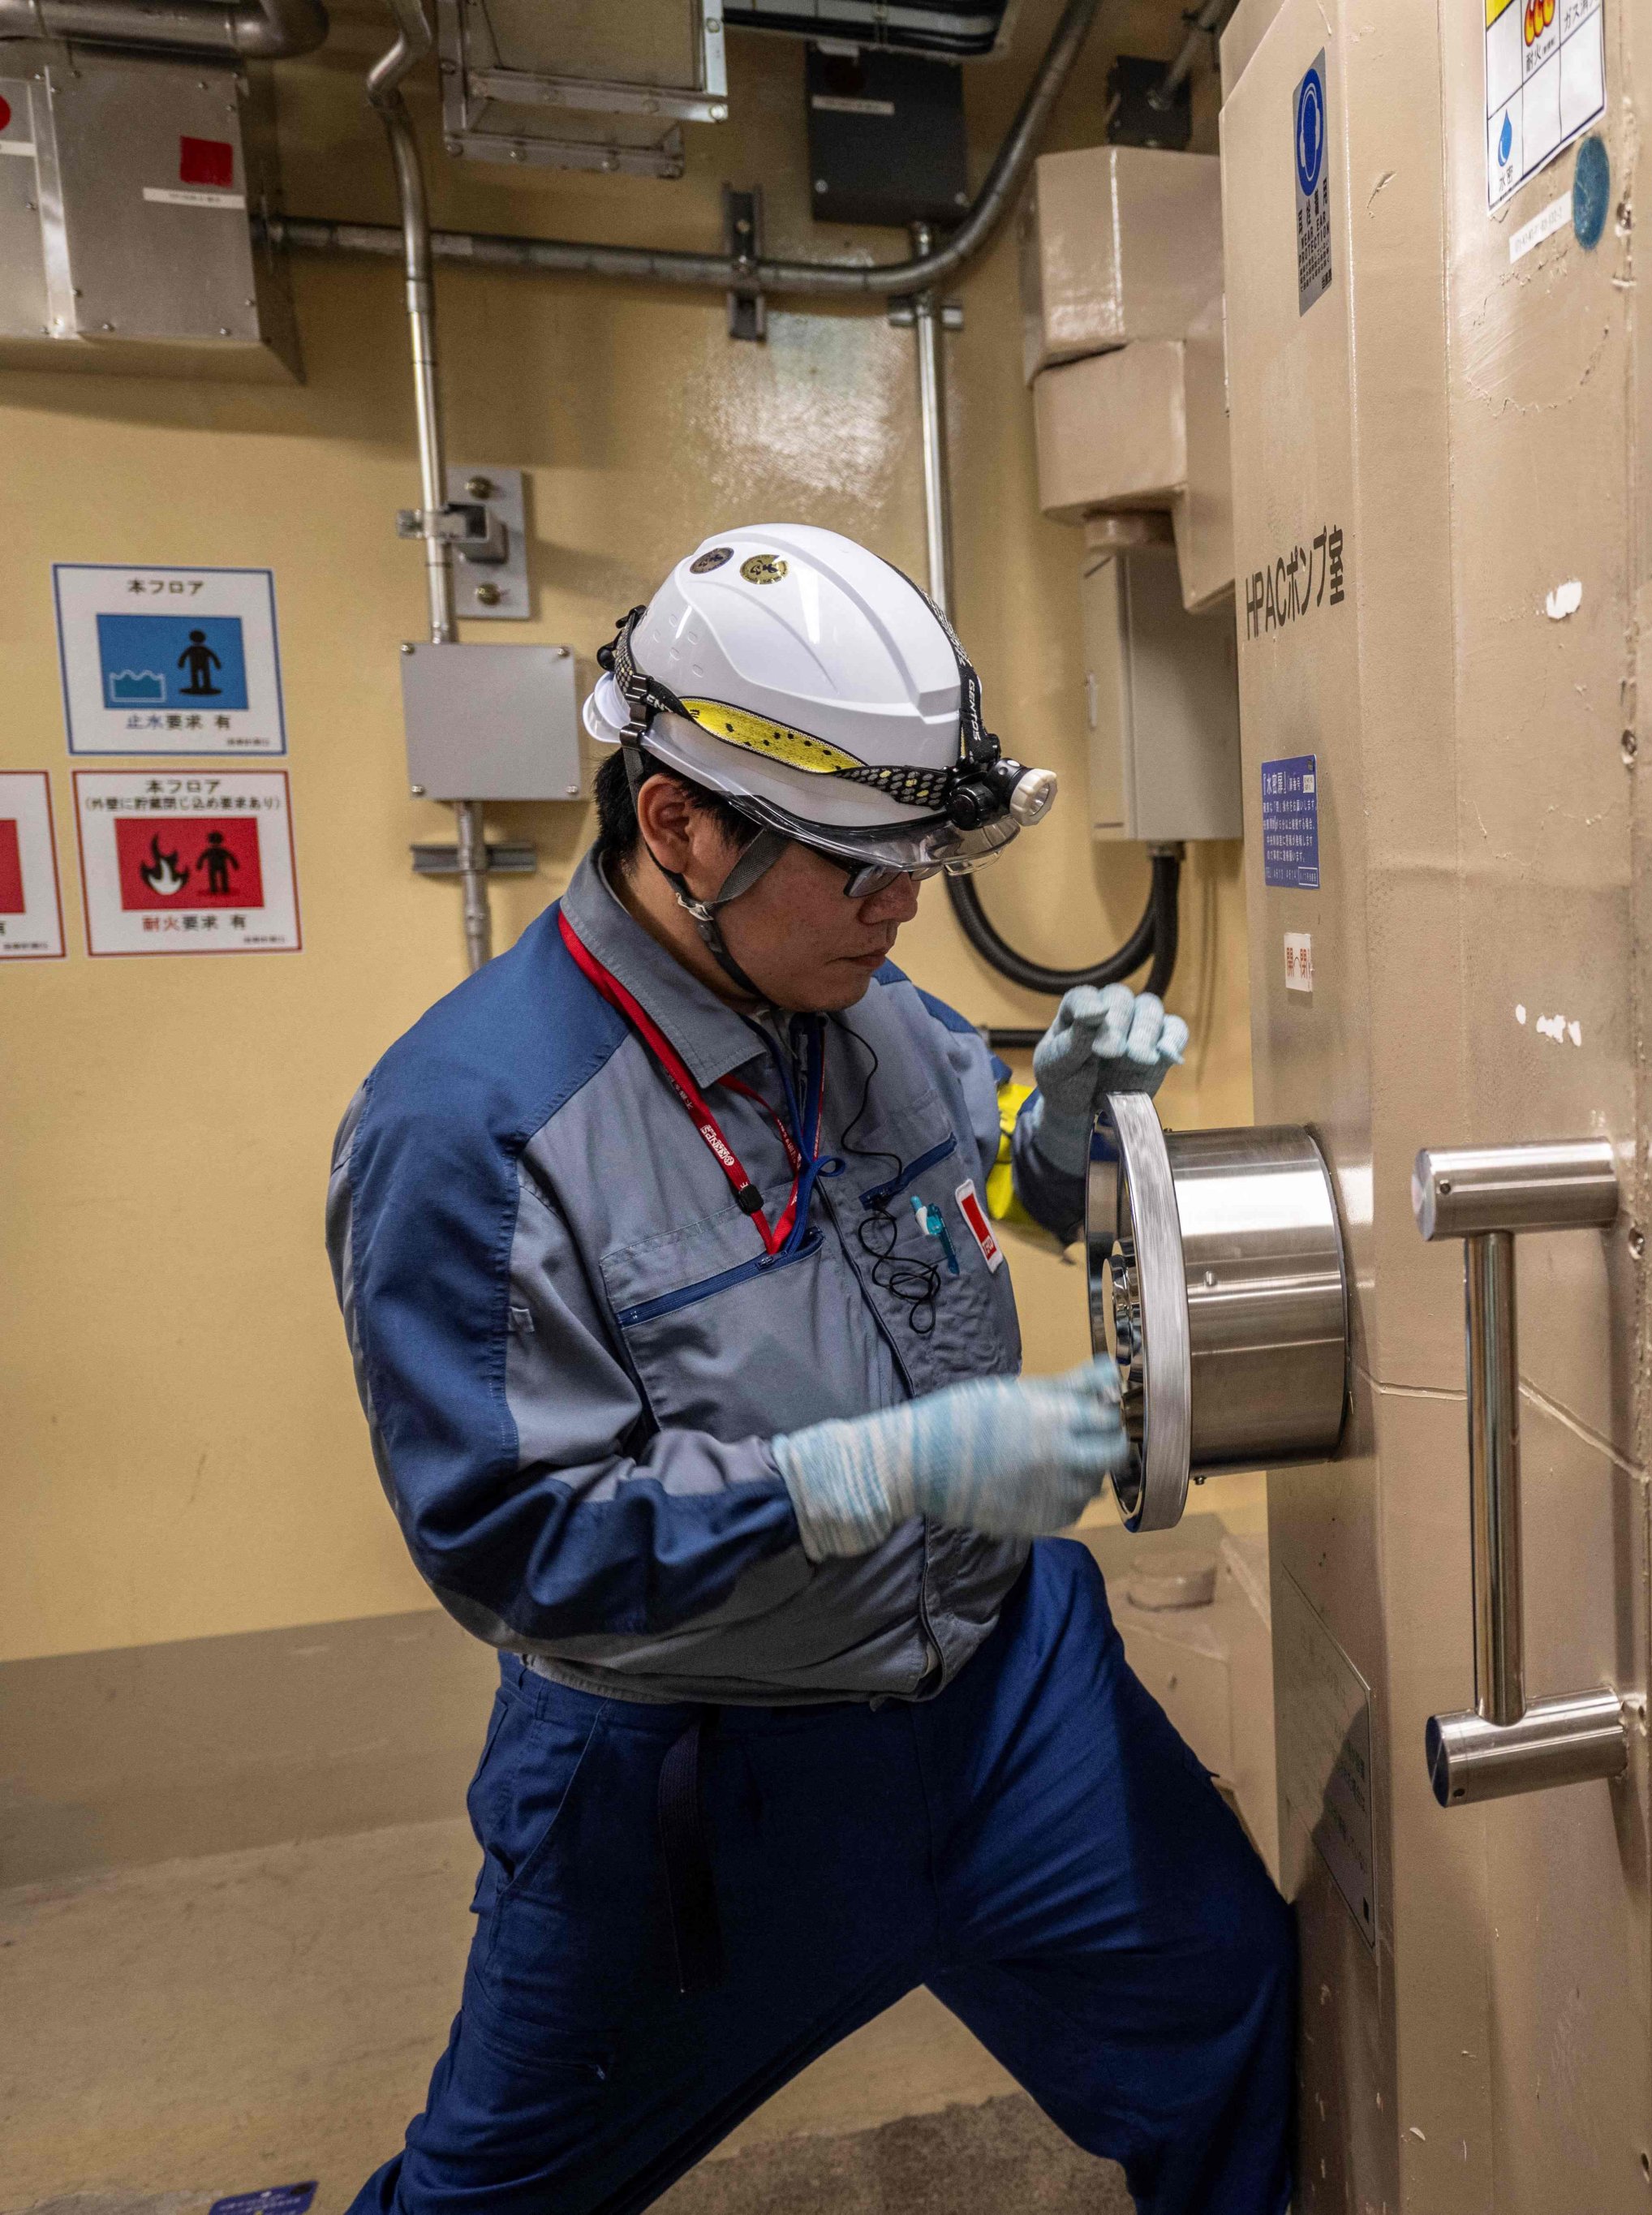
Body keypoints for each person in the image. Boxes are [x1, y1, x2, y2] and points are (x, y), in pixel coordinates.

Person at [324, 523, 1291, 2215]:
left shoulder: (875, 1007)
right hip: (705, 1771)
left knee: (1235, 2027)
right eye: (855, 869)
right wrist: (872, 1476)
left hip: (1008, 1697)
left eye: (912, 859)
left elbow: (982, 1199)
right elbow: (512, 1544)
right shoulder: (467, 1127)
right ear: (677, 823)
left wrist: (1057, 1133)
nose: (900, 907)